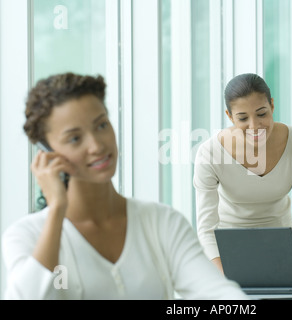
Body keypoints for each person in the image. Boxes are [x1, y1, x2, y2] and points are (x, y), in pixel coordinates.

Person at [1, 72, 248, 300]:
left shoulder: (161, 222)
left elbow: (221, 296)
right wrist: (56, 211)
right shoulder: (26, 236)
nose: (97, 145)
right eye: (75, 138)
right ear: (47, 153)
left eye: (101, 125)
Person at [193, 73, 292, 273]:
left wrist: (283, 261)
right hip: (227, 249)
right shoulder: (209, 153)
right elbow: (206, 229)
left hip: (284, 245)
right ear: (230, 116)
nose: (255, 126)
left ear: (272, 106)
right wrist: (224, 275)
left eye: (262, 114)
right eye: (243, 118)